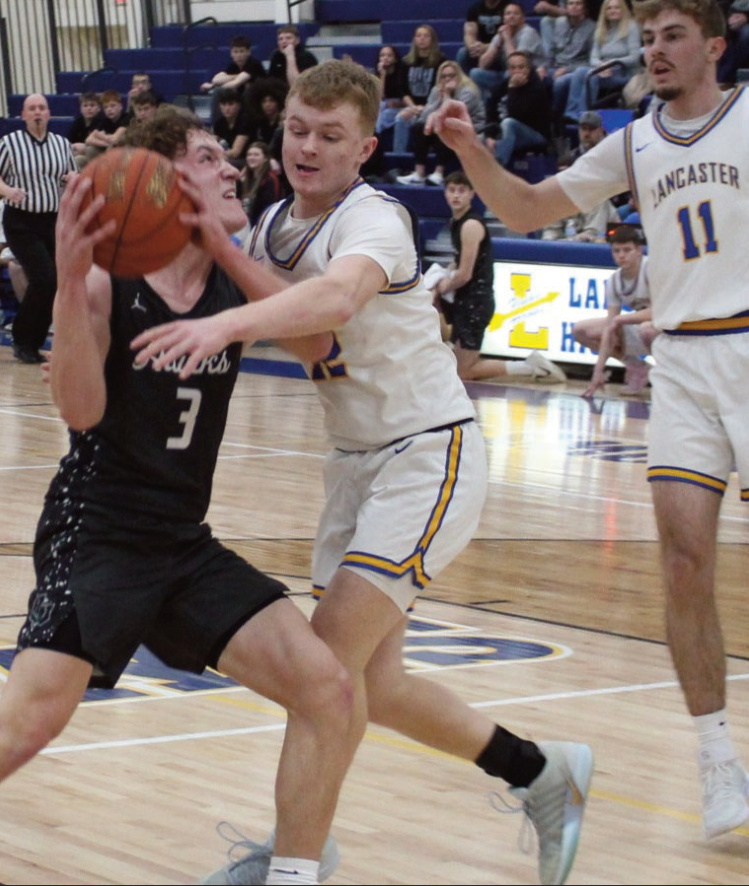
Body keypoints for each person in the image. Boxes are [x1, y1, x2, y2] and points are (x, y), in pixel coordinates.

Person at [132, 59, 594, 886]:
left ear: (365, 147)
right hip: (352, 467)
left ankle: (291, 866)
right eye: (298, 130)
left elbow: (334, 305)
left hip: (427, 453)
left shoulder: (372, 217)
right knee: (372, 687)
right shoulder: (273, 221)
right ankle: (538, 772)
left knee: (324, 668)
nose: (308, 146)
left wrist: (228, 323)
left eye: (330, 136)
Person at [0, 102, 354, 886]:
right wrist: (64, 284)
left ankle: (290, 877)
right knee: (25, 729)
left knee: (326, 688)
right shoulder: (106, 279)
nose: (231, 167)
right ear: (158, 182)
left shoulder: (236, 275)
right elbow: (80, 411)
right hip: (99, 535)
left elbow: (316, 346)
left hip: (182, 542)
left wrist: (223, 246)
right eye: (207, 158)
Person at [427, 0, 749, 842]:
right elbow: (530, 208)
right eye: (646, 38)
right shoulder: (636, 141)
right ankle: (716, 759)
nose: (655, 51)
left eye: (672, 35)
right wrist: (470, 147)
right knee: (681, 558)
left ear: (715, 44)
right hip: (679, 361)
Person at [430, 170, 567, 383]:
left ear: (472, 193)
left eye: (461, 190)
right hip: (468, 301)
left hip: (475, 302)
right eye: (451, 190)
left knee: (464, 371)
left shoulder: (470, 225)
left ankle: (528, 366)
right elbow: (459, 262)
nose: (456, 195)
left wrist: (440, 287)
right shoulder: (458, 222)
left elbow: (465, 274)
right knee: (459, 364)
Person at [0, 93, 75, 364]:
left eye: (42, 108)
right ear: (23, 115)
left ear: (49, 113)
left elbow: (71, 176)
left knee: (54, 283)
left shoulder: (62, 144)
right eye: (32, 108)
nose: (37, 112)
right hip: (21, 221)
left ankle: (33, 341)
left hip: (52, 220)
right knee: (44, 278)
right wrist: (7, 189)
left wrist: (72, 178)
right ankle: (22, 338)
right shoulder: (9, 144)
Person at [573, 224, 658, 396]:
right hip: (642, 328)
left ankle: (669, 378)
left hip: (670, 331)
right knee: (581, 330)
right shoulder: (614, 281)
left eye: (627, 250)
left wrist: (622, 320)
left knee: (647, 328)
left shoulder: (651, 269)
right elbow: (609, 327)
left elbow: (662, 312)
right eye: (616, 251)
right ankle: (636, 367)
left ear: (639, 250)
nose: (621, 255)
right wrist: (598, 371)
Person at [396, 60, 486, 186]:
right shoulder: (436, 91)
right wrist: (440, 98)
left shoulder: (468, 92)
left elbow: (453, 114)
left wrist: (447, 96)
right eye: (444, 76)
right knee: (419, 127)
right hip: (445, 127)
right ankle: (419, 173)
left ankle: (439, 172)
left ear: (459, 76)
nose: (448, 79)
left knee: (445, 125)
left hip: (470, 130)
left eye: (452, 75)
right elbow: (424, 116)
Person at [564, 0, 644, 119]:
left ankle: (583, 114)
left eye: (616, 8)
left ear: (623, 10)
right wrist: (601, 66)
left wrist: (608, 65)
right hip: (602, 70)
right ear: (604, 12)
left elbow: (634, 57)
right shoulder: (601, 28)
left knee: (591, 76)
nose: (612, 11)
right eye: (609, 8)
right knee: (580, 71)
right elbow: (593, 57)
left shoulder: (631, 27)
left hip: (622, 72)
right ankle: (570, 112)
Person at [484, 50, 554, 167]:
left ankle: (498, 169)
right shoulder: (505, 84)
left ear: (529, 68)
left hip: (535, 135)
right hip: (507, 134)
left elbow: (515, 113)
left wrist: (513, 89)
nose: (517, 71)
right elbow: (491, 108)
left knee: (508, 123)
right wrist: (489, 136)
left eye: (521, 67)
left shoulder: (537, 87)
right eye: (513, 68)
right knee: (478, 139)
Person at [470, 2, 546, 103]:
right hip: (505, 75)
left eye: (515, 14)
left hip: (529, 76)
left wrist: (507, 38)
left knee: (510, 73)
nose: (511, 16)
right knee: (475, 73)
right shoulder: (502, 33)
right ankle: (485, 108)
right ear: (503, 18)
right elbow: (482, 64)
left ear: (523, 18)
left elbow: (516, 62)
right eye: (508, 14)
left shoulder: (528, 33)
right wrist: (497, 43)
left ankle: (506, 105)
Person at [392, 24, 447, 154]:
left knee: (424, 120)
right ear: (414, 40)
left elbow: (441, 89)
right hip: (412, 107)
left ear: (432, 40)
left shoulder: (440, 61)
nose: (422, 39)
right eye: (418, 36)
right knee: (400, 118)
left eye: (426, 36)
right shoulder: (406, 62)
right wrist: (413, 107)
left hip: (433, 107)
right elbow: (402, 90)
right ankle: (399, 160)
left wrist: (426, 108)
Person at [541, 0, 597, 119]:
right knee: (535, 77)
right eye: (571, 4)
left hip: (575, 69)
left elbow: (590, 60)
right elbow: (552, 49)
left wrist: (566, 69)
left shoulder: (592, 27)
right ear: (566, 7)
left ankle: (555, 116)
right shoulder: (560, 23)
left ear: (584, 8)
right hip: (555, 66)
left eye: (578, 4)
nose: (574, 7)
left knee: (560, 83)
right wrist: (544, 67)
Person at [200, 35, 267, 100]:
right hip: (242, 96)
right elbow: (216, 79)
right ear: (231, 54)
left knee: (219, 92)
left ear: (248, 52)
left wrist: (212, 87)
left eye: (242, 51)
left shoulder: (253, 64)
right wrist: (237, 75)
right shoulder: (233, 65)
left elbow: (235, 83)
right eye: (235, 52)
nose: (239, 55)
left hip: (260, 97)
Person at [241, 140, 288, 228]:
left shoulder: (269, 180)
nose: (251, 157)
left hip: (259, 226)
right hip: (245, 224)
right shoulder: (246, 179)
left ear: (266, 158)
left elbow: (267, 208)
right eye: (249, 154)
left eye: (256, 155)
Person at [457, 0, 506, 74]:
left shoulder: (508, 7)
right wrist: (473, 47)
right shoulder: (474, 8)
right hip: (481, 49)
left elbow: (511, 36)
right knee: (463, 53)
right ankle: (466, 82)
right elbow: (469, 34)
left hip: (502, 48)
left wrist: (487, 47)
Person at [267, 24, 318, 89]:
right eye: (280, 39)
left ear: (297, 41)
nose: (284, 41)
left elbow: (298, 85)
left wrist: (290, 57)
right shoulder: (276, 56)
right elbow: (270, 80)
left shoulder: (307, 57)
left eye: (288, 38)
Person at [213, 87, 253, 167]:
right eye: (223, 104)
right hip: (226, 157)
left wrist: (215, 155)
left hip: (246, 159)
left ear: (239, 105)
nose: (227, 108)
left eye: (231, 104)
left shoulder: (245, 121)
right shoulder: (219, 123)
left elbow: (236, 152)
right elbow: (213, 142)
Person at [374, 44, 408, 140]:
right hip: (384, 105)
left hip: (399, 106)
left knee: (382, 114)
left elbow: (406, 97)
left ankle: (376, 134)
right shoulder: (378, 74)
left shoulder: (402, 74)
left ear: (395, 58)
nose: (385, 58)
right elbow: (380, 97)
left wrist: (396, 104)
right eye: (382, 55)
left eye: (389, 55)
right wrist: (383, 75)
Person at [84, 89, 130, 157]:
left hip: (126, 151)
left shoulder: (126, 118)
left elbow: (115, 139)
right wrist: (107, 143)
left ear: (120, 106)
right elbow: (88, 140)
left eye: (112, 106)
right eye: (106, 107)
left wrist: (99, 135)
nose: (109, 109)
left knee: (111, 149)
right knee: (87, 151)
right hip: (108, 147)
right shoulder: (104, 120)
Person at [67, 91, 103, 169]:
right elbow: (69, 140)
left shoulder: (102, 121)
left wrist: (84, 147)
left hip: (98, 156)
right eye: (85, 105)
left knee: (80, 158)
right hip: (80, 154)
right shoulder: (78, 122)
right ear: (81, 109)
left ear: (99, 108)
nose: (89, 108)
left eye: (92, 105)